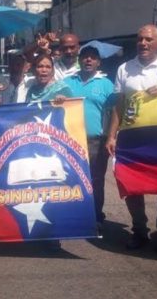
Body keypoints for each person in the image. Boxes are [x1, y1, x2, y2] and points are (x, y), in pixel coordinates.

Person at [105, 24, 157, 255]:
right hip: (132, 137)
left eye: (149, 39)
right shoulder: (125, 68)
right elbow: (119, 105)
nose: (143, 43)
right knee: (132, 186)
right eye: (140, 39)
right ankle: (139, 231)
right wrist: (112, 135)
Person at [64, 46, 115, 231]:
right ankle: (73, 215)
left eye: (92, 58)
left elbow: (115, 112)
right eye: (85, 57)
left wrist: (111, 136)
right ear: (79, 60)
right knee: (71, 179)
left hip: (96, 140)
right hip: (70, 139)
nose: (88, 60)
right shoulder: (67, 82)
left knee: (95, 180)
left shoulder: (107, 84)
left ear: (98, 62)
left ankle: (96, 217)